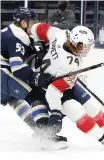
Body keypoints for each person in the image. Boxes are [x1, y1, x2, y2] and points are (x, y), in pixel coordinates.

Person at [30, 22, 104, 150]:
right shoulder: (71, 66)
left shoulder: (62, 34)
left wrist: (35, 38)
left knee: (92, 106)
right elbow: (52, 92)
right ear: (78, 45)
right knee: (76, 110)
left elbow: (40, 27)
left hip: (61, 81)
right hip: (50, 90)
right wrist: (55, 111)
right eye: (86, 47)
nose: (87, 50)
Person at [0, 7, 67, 150]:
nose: (34, 24)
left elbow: (26, 54)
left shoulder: (11, 33)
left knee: (14, 100)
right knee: (35, 95)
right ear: (23, 23)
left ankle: (39, 131)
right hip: (3, 75)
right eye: (32, 22)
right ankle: (46, 136)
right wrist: (35, 77)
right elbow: (17, 68)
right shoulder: (16, 37)